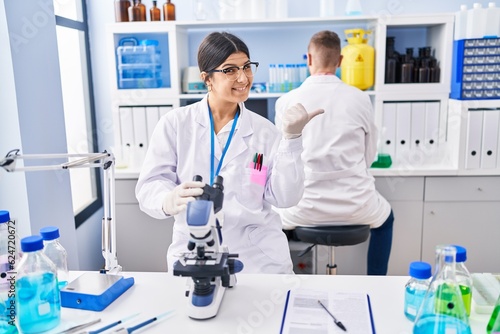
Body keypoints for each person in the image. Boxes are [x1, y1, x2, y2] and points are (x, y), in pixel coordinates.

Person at [135, 32, 323, 274]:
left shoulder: (265, 131)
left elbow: (285, 198)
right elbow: (150, 185)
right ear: (207, 78)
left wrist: (292, 139)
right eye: (230, 70)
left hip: (258, 258)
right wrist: (166, 199)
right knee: (198, 311)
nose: (243, 77)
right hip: (195, 252)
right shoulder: (175, 124)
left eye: (247, 67)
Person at [274, 30, 394, 275]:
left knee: (271, 219)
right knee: (385, 219)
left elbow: (282, 159)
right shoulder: (360, 99)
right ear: (340, 61)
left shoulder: (287, 101)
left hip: (303, 207)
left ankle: (282, 282)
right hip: (356, 204)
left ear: (308, 59)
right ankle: (377, 282)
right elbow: (368, 156)